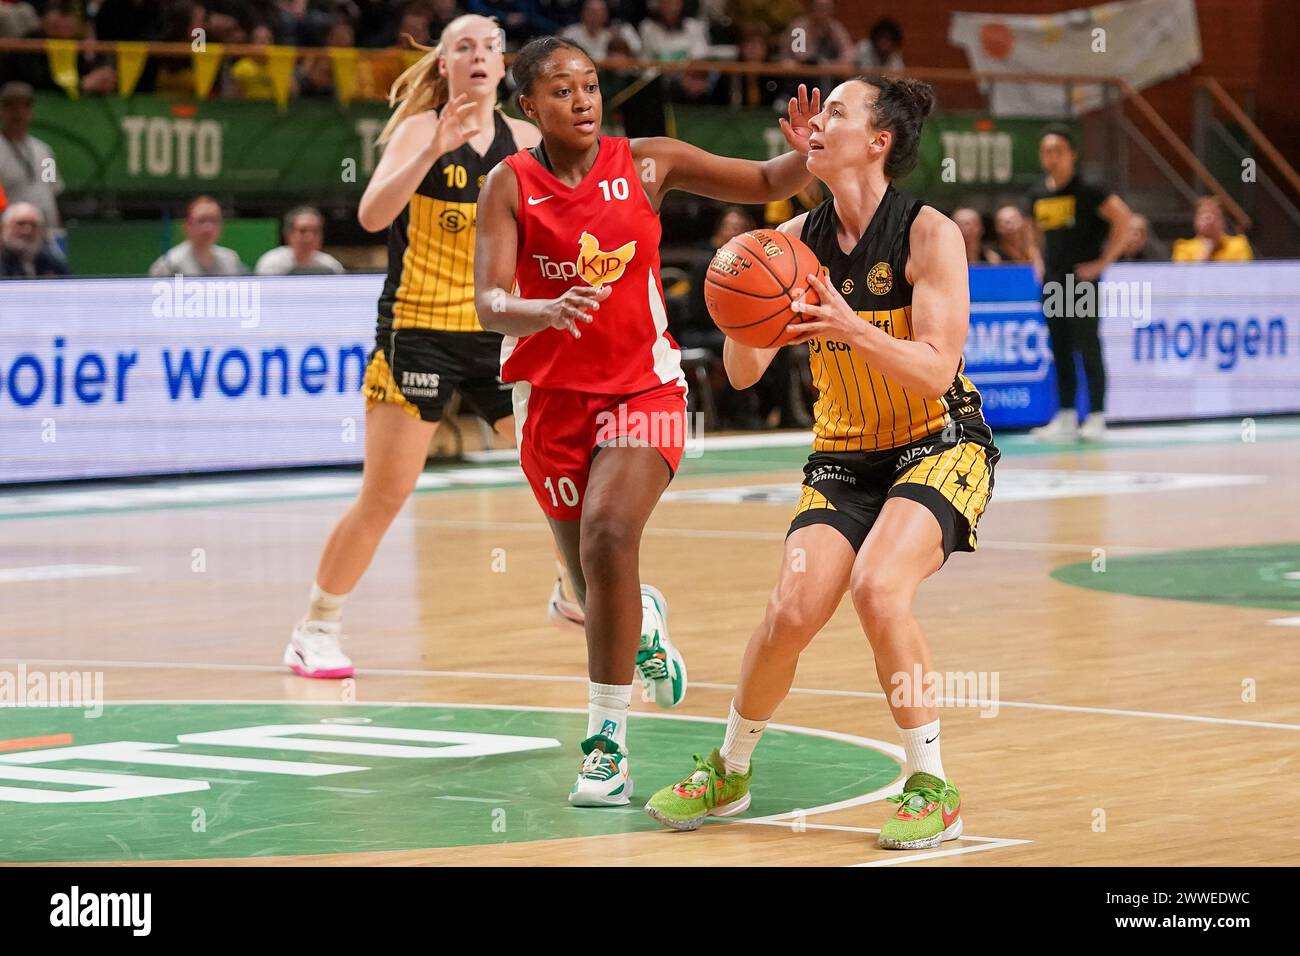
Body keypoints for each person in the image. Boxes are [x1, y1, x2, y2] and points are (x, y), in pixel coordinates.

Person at [644, 75, 999, 852]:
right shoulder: (793, 245)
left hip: (938, 443)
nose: (818, 120)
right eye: (817, 110)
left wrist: (849, 324)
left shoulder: (929, 233)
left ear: (878, 142)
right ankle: (731, 770)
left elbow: (938, 368)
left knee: (878, 587)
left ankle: (931, 783)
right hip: (842, 454)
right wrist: (749, 290)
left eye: (838, 110)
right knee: (791, 612)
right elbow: (739, 374)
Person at [474, 36, 819, 805]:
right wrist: (543, 310)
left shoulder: (647, 162)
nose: (583, 100)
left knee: (607, 535)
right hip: (549, 400)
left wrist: (805, 155)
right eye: (562, 91)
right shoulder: (508, 185)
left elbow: (766, 181)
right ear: (528, 106)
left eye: (591, 86)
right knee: (590, 581)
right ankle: (645, 625)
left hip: (643, 390)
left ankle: (606, 747)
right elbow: (489, 303)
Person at [283, 15, 547, 679]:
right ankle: (317, 625)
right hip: (419, 331)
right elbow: (372, 215)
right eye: (464, 47)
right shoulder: (419, 131)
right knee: (385, 496)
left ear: (503, 64)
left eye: (490, 46)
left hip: (500, 332)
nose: (479, 56)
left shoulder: (528, 141)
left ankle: (573, 594)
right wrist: (434, 150)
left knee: (559, 472)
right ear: (444, 66)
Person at [1026, 124, 1131, 442]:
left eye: (1058, 151)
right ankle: (1067, 416)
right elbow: (1031, 230)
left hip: (1082, 282)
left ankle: (1097, 416)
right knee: (1059, 347)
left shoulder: (1090, 190)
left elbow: (1124, 220)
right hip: (1053, 281)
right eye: (1046, 151)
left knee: (1087, 345)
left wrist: (1103, 263)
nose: (1052, 157)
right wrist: (1036, 259)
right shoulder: (1038, 194)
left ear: (1072, 155)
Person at [0, 82, 63, 256]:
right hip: (9, 240)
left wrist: (58, 232)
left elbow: (51, 190)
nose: (18, 114)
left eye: (24, 107)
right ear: (2, 111)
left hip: (45, 236)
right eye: (12, 107)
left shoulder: (43, 150)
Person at [149, 196, 248, 276]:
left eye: (214, 220)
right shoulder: (169, 264)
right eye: (201, 221)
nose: (208, 228)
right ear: (187, 225)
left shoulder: (231, 260)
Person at [255, 207, 345, 275]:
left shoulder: (331, 265)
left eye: (316, 231)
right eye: (303, 231)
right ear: (289, 234)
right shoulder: (272, 264)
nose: (310, 237)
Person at [1171, 196, 1253, 262]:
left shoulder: (1239, 244)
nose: (1210, 221)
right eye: (1204, 216)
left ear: (1223, 222)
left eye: (1215, 215)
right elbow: (1184, 280)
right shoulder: (1183, 248)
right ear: (1196, 222)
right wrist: (1207, 250)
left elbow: (1244, 277)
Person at [1, 201, 68, 277]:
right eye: (20, 223)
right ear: (3, 227)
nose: (27, 231)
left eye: (33, 225)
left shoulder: (48, 260)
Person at [561, 0, 641, 60]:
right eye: (592, 12)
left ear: (606, 15)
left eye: (599, 12)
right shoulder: (570, 33)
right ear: (583, 13)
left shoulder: (610, 36)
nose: (595, 16)